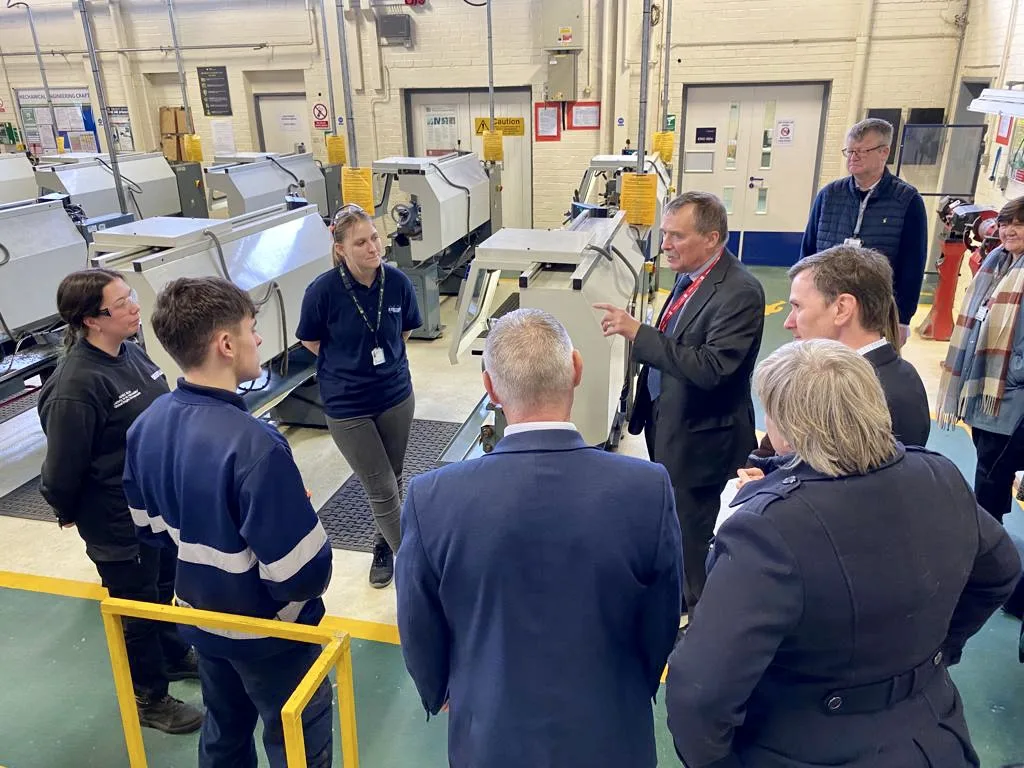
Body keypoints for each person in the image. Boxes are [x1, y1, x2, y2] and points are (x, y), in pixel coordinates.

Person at [667, 339, 1022, 768]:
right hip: (933, 735)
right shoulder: (939, 475)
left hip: (806, 746)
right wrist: (939, 648)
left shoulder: (769, 529)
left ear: (788, 427)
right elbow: (1001, 570)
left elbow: (701, 691)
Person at [396, 309, 682, 768]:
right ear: (576, 368)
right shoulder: (647, 489)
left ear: (489, 387)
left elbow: (418, 624)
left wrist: (444, 690)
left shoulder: (433, 498)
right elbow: (661, 620)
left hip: (492, 738)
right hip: (610, 735)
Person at [124, 277, 334, 768]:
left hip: (202, 618)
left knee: (224, 733)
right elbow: (301, 573)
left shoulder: (146, 425)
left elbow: (149, 529)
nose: (258, 340)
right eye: (251, 328)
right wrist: (292, 511)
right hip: (272, 637)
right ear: (225, 344)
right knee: (296, 740)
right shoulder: (255, 446)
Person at [37, 268, 202, 735]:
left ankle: (171, 655)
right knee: (134, 609)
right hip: (116, 521)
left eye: (131, 297)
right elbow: (60, 470)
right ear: (91, 320)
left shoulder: (129, 351)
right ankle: (148, 698)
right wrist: (67, 510)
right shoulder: (76, 388)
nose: (135, 307)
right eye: (122, 303)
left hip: (155, 507)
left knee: (161, 588)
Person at [596, 190, 765, 612]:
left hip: (703, 435)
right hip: (669, 420)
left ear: (712, 238)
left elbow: (712, 368)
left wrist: (639, 334)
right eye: (664, 234)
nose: (665, 244)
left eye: (676, 236)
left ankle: (694, 607)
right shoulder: (694, 276)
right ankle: (679, 589)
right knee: (676, 515)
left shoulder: (739, 292)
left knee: (692, 528)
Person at [297, 203, 422, 588]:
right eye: (361, 242)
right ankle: (416, 564)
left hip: (395, 395)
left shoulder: (398, 282)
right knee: (380, 485)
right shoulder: (323, 292)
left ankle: (382, 542)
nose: (373, 248)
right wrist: (348, 367)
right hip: (348, 404)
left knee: (394, 475)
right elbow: (310, 339)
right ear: (341, 250)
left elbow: (404, 333)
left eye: (375, 238)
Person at [784, 245, 930, 445]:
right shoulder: (904, 374)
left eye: (798, 307)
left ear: (842, 308)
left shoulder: (851, 396)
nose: (788, 323)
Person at [801, 118, 928, 343]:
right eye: (849, 151)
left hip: (875, 315)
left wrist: (903, 319)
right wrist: (803, 302)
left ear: (884, 152)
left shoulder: (907, 201)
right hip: (828, 308)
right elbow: (808, 252)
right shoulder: (829, 196)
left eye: (861, 151)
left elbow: (912, 265)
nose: (853, 157)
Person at [939, 196, 1024, 525]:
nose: (1008, 230)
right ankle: (992, 528)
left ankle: (988, 538)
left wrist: (1016, 374)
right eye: (1004, 223)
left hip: (1010, 392)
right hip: (985, 387)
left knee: (991, 471)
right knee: (988, 463)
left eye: (1018, 223)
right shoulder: (996, 264)